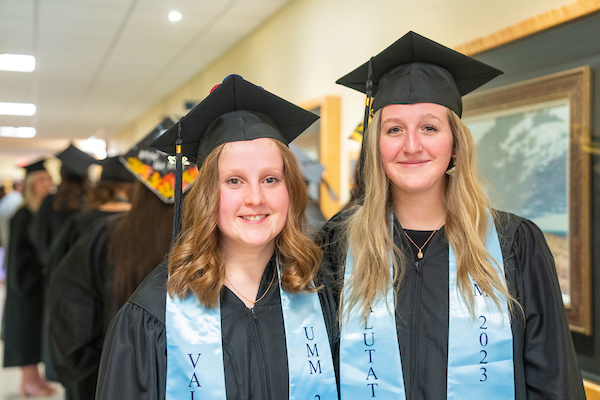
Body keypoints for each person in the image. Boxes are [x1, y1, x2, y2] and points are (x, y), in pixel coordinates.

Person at [320, 31, 586, 399]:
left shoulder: (516, 244)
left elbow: (554, 383)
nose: (411, 145)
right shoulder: (337, 244)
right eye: (394, 129)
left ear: (456, 145)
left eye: (429, 127)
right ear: (376, 145)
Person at [96, 75, 338, 399]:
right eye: (234, 181)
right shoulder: (155, 313)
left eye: (270, 179)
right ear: (207, 194)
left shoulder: (317, 289)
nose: (255, 198)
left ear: (290, 190)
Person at [46, 120, 179, 400]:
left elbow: (69, 309)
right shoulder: (203, 241)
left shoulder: (105, 236)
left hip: (109, 380)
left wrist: (97, 370)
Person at [2, 160, 56, 397]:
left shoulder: (44, 211)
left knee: (35, 331)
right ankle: (28, 380)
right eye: (42, 180)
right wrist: (22, 283)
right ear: (32, 185)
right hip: (24, 284)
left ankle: (35, 378)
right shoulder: (22, 215)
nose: (48, 184)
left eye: (49, 178)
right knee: (24, 331)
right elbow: (16, 255)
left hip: (38, 283)